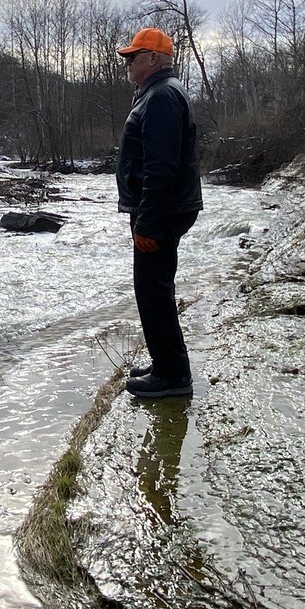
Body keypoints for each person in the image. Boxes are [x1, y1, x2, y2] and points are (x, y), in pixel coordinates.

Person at [115, 27, 203, 398]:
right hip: (166, 208)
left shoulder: (162, 96)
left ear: (154, 58)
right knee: (155, 288)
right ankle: (166, 364)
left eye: (134, 56)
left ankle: (172, 376)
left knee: (152, 291)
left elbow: (160, 167)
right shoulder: (158, 93)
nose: (128, 62)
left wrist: (147, 221)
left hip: (161, 212)